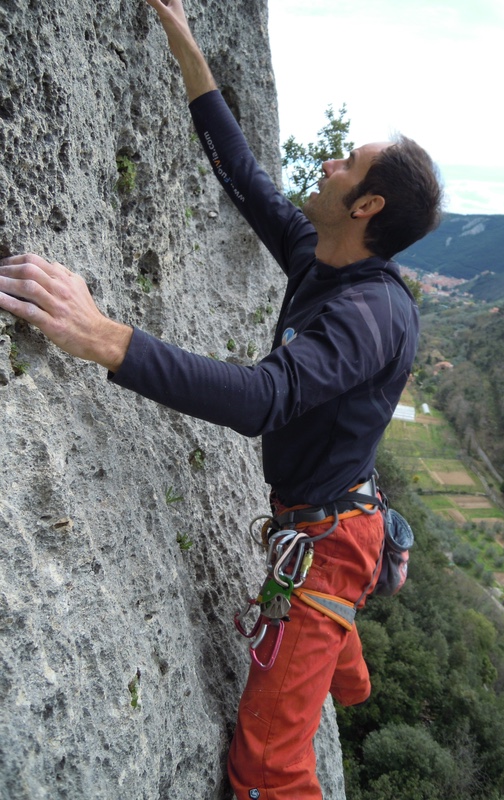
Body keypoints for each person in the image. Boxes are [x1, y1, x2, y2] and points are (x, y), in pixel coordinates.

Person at [0, 1, 443, 797]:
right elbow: (244, 177)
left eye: (346, 163)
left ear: (367, 206)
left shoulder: (369, 315)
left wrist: (104, 337)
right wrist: (187, 47)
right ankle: (347, 677)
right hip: (331, 509)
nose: (329, 164)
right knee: (331, 658)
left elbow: (262, 399)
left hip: (329, 547)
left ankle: (335, 646)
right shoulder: (323, 258)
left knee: (267, 767)